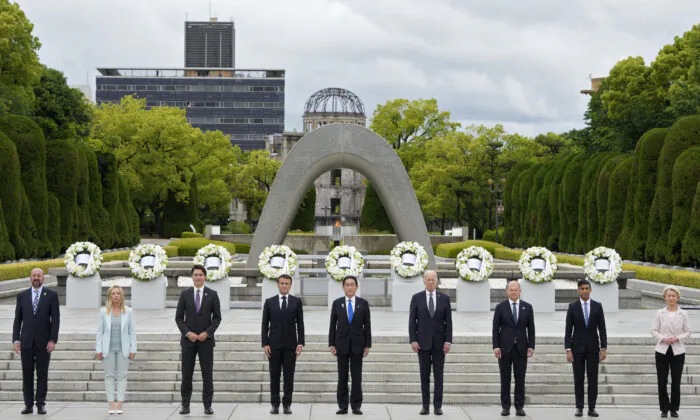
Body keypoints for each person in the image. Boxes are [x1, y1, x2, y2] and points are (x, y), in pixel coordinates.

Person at [12, 268, 60, 415]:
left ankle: (40, 404)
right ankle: (28, 405)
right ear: (30, 278)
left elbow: (55, 320)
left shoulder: (51, 295)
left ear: (43, 278)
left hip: (43, 342)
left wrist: (52, 339)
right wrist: (16, 339)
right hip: (26, 342)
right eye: (34, 275)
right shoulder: (22, 296)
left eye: (39, 275)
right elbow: (17, 320)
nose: (36, 278)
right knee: (27, 374)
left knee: (42, 374)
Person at [175, 265, 222, 415]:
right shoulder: (185, 294)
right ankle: (185, 405)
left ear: (205, 277)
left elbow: (217, 318)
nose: (198, 277)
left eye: (201, 275)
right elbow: (178, 318)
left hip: (205, 342)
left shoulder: (212, 294)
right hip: (188, 341)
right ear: (192, 277)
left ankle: (207, 405)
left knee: (207, 374)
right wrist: (187, 333)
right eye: (195, 274)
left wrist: (207, 333)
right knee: (186, 374)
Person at [409, 270, 453, 416]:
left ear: (437, 281)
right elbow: (412, 321)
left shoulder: (445, 298)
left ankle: (437, 406)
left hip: (440, 344)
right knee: (424, 376)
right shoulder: (417, 298)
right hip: (423, 343)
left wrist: (448, 341)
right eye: (428, 280)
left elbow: (449, 323)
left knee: (438, 376)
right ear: (424, 281)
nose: (431, 282)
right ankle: (425, 406)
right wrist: (413, 340)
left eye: (433, 279)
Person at [262, 274, 305, 414]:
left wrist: (301, 343)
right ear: (278, 284)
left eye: (287, 283)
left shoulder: (296, 302)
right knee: (274, 376)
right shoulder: (269, 302)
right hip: (273, 346)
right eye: (282, 283)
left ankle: (287, 404)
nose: (284, 286)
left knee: (288, 376)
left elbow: (300, 324)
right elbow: (264, 325)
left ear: (290, 285)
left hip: (290, 346)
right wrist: (265, 343)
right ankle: (275, 404)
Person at [329, 275, 371, 415]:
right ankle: (342, 405)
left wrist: (367, 345)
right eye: (347, 284)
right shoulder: (337, 303)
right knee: (342, 376)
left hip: (358, 346)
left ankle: (356, 405)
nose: (350, 287)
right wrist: (331, 343)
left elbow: (367, 326)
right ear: (343, 287)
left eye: (352, 284)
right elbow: (332, 325)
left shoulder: (363, 304)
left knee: (356, 377)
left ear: (357, 287)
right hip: (341, 345)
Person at [492, 280, 535, 417]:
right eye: (511, 290)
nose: (513, 292)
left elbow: (531, 329)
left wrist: (531, 345)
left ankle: (519, 407)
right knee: (505, 379)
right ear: (507, 291)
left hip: (521, 348)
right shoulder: (500, 307)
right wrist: (496, 346)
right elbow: (495, 329)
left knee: (520, 378)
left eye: (516, 290)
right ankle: (505, 407)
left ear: (520, 291)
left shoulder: (527, 307)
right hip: (505, 349)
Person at [565, 279, 607, 418]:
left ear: (590, 290)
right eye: (582, 288)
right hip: (577, 348)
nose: (584, 290)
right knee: (578, 379)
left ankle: (592, 407)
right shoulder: (572, 307)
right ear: (578, 290)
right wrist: (568, 349)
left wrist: (604, 347)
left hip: (593, 348)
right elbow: (568, 330)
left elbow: (602, 328)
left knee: (593, 378)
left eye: (586, 288)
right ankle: (579, 407)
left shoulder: (597, 306)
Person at [652, 285, 692, 418]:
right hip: (662, 350)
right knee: (662, 380)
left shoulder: (683, 313)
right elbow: (654, 330)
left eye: (673, 296)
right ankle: (664, 408)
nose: (671, 298)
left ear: (678, 298)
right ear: (665, 297)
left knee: (676, 380)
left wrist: (677, 338)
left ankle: (674, 408)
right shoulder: (659, 313)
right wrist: (663, 338)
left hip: (678, 350)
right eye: (668, 295)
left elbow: (688, 331)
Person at [96, 286, 137, 414]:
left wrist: (133, 348)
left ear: (121, 296)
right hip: (107, 349)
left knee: (122, 376)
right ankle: (111, 404)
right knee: (109, 376)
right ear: (109, 296)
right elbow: (100, 332)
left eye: (118, 293)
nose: (116, 296)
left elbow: (132, 332)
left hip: (123, 349)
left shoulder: (128, 312)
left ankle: (119, 403)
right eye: (113, 293)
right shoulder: (104, 312)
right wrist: (98, 349)